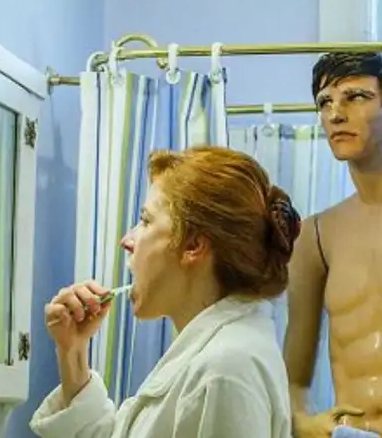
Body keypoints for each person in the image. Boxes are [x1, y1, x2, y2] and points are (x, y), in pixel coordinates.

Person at [30, 146, 301, 438]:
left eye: (146, 221)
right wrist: (73, 353)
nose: (127, 240)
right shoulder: (218, 358)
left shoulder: (227, 369)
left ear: (193, 245)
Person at [283, 52, 382, 438]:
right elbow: (293, 381)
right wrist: (306, 424)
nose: (335, 114)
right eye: (325, 103)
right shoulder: (317, 235)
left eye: (356, 97)